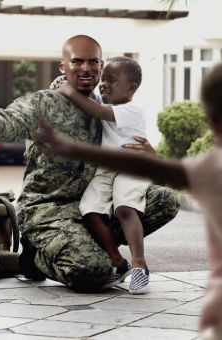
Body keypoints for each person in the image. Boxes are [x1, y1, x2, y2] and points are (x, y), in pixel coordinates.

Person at [38, 28, 222, 339]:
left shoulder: (215, 167)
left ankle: (135, 265)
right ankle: (122, 263)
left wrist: (73, 147)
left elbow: (136, 161)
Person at [0, 35, 179, 292]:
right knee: (92, 270)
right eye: (77, 61)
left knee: (166, 201)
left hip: (91, 207)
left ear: (101, 65)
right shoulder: (45, 103)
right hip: (48, 210)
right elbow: (13, 119)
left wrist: (152, 156)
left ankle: (89, 247)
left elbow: (129, 136)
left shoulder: (105, 101)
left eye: (93, 62)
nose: (86, 68)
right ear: (63, 66)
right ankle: (35, 257)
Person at [53, 56, 151, 294]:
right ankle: (119, 263)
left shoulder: (132, 110)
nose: (103, 84)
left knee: (125, 207)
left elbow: (95, 110)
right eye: (103, 80)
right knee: (90, 210)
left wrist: (67, 90)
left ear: (131, 88)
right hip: (106, 169)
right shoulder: (106, 103)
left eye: (111, 81)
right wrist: (61, 83)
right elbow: (89, 101)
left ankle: (139, 266)